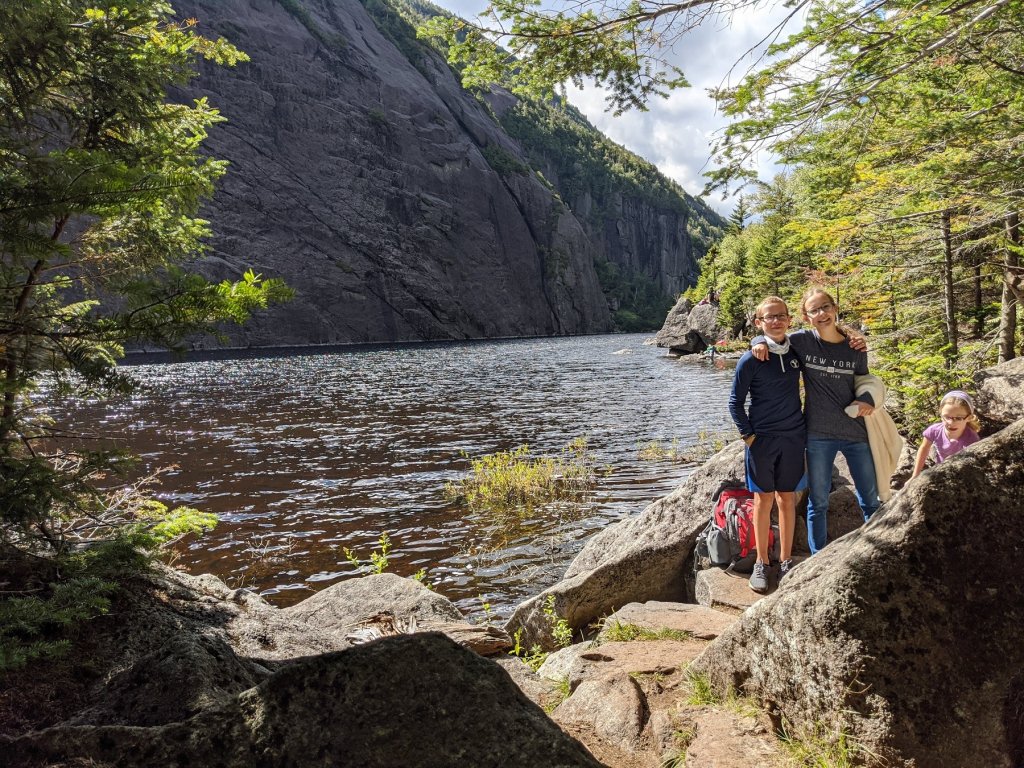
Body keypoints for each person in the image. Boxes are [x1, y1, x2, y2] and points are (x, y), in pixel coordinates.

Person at [752, 287, 879, 555]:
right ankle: (817, 560)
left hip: (856, 432)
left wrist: (867, 397)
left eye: (826, 307)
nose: (822, 314)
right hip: (818, 433)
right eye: (815, 310)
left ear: (835, 309)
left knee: (870, 500)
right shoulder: (801, 342)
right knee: (818, 502)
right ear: (806, 317)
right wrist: (756, 342)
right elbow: (773, 335)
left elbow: (865, 380)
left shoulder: (855, 347)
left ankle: (877, 555)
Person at [728, 296, 805, 593]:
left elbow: (824, 337)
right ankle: (762, 562)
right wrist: (749, 437)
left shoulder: (797, 350)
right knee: (763, 500)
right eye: (769, 318)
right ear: (759, 322)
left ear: (789, 319)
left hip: (793, 438)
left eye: (781, 316)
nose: (776, 321)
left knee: (787, 499)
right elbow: (735, 403)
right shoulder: (752, 358)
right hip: (762, 441)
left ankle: (785, 561)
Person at [912, 390, 981, 478]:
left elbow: (971, 463)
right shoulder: (934, 430)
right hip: (940, 471)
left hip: (961, 475)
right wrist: (915, 475)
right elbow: (924, 448)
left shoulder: (971, 438)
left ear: (969, 417)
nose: (951, 422)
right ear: (940, 414)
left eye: (959, 418)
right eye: (947, 417)